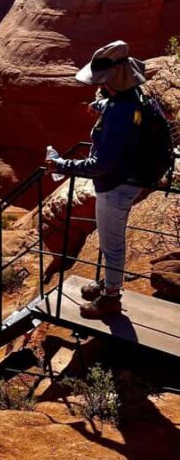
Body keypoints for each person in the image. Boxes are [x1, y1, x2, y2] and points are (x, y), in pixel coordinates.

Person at [45, 40, 147, 319]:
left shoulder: (120, 112)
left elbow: (102, 164)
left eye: (101, 82)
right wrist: (101, 105)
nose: (98, 86)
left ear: (111, 80)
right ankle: (108, 284)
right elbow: (127, 111)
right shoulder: (131, 97)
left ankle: (111, 298)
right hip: (128, 176)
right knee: (109, 239)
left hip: (116, 184)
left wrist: (61, 165)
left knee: (112, 244)